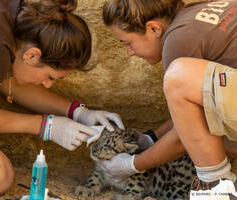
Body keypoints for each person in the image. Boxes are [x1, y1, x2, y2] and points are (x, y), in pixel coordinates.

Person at [0, 0, 124, 197]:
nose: (47, 84)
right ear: (33, 55)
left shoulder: (13, 15)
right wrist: (46, 126)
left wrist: (77, 111)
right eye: (50, 77)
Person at [100, 0, 237, 190]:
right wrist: (151, 139)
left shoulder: (177, 42)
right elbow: (196, 114)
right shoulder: (196, 12)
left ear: (154, 29)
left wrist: (131, 165)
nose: (129, 52)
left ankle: (217, 188)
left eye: (128, 43)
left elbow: (183, 138)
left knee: (178, 76)